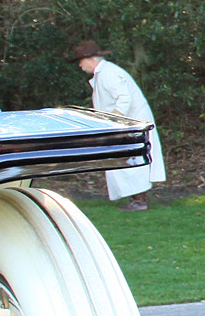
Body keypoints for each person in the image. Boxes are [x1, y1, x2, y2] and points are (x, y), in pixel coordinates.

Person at [71, 40, 166, 209]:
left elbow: (125, 98)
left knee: (131, 161)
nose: (79, 65)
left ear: (90, 59)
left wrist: (116, 119)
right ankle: (136, 199)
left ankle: (140, 201)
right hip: (126, 123)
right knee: (124, 160)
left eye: (81, 61)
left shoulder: (109, 73)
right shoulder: (104, 73)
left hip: (132, 123)